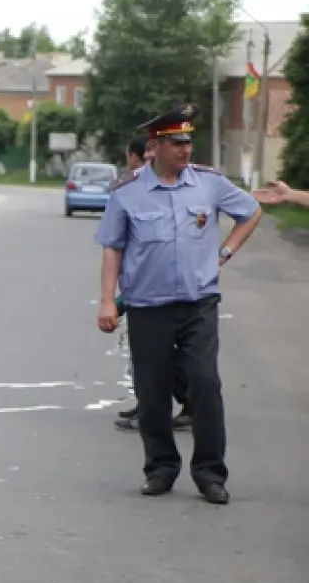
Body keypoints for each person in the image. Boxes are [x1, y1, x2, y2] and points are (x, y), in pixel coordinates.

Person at [94, 102, 262, 505]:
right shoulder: (128, 193)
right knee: (152, 394)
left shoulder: (209, 184)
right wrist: (106, 302)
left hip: (198, 304)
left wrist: (225, 253)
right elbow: (112, 249)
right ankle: (161, 468)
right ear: (155, 146)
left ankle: (209, 473)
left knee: (205, 384)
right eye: (177, 144)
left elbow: (251, 212)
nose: (186, 151)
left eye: (189, 142)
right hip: (149, 308)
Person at [113, 137, 192, 432]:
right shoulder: (139, 186)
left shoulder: (141, 188)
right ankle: (148, 405)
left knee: (157, 358)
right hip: (146, 292)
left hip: (157, 296)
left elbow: (142, 253)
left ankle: (166, 407)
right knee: (152, 358)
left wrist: (118, 302)